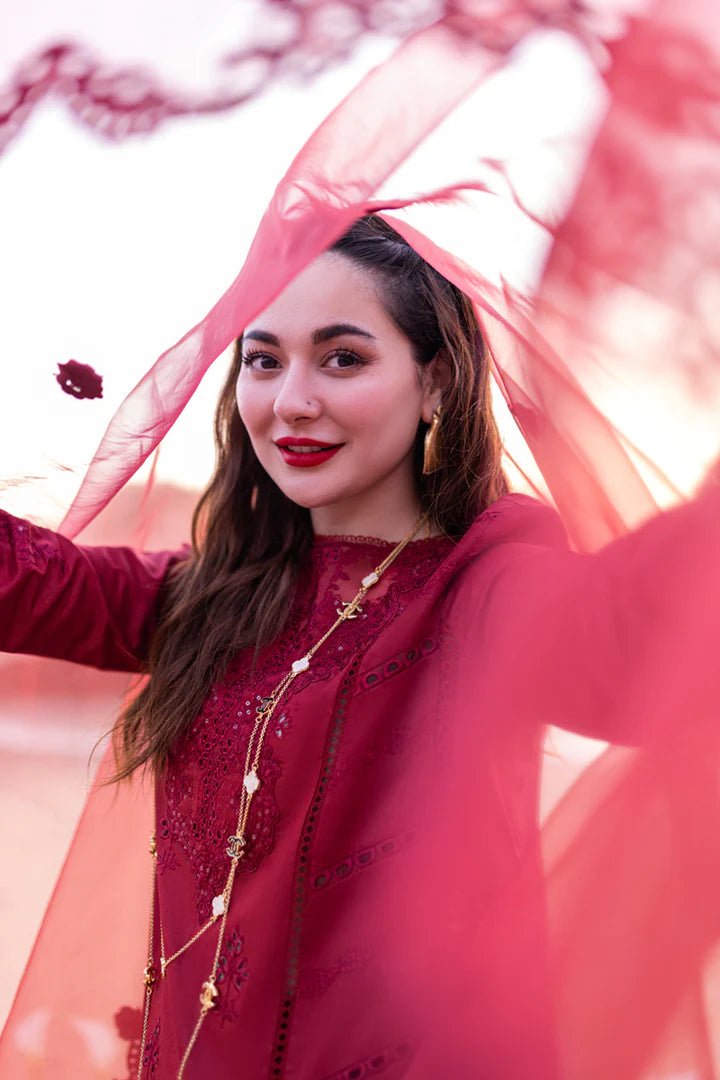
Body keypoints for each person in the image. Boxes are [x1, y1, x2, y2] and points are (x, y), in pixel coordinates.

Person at [1, 214, 719, 1080]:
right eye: (264, 359)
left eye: (343, 358)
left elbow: (642, 634)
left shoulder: (483, 596)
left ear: (438, 383)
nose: (292, 400)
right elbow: (25, 586)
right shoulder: (210, 599)